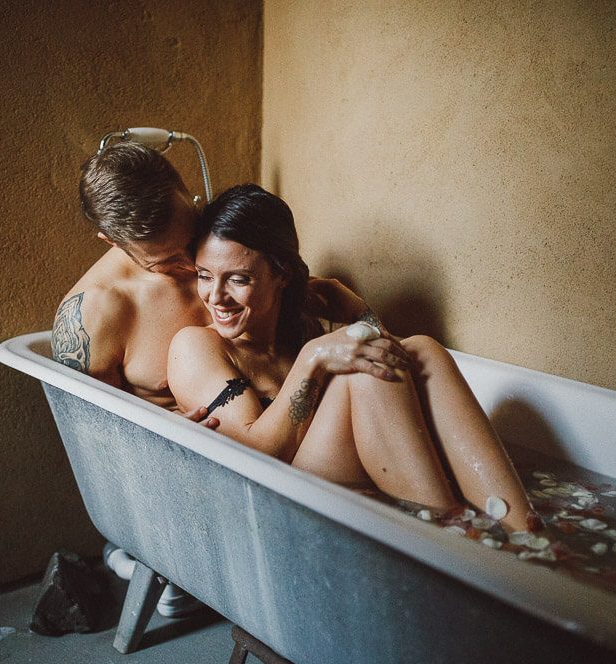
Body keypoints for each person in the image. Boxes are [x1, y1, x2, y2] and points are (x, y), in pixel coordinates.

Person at [168, 184, 538, 532]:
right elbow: (263, 456)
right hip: (276, 501)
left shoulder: (304, 328)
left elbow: (400, 387)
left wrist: (360, 313)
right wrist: (314, 357)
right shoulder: (196, 347)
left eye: (237, 279)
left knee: (424, 349)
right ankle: (452, 541)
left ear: (281, 274)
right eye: (204, 275)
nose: (215, 296)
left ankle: (528, 532)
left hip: (344, 478)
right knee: (362, 370)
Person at [52, 141, 380, 421]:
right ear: (111, 241)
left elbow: (291, 296)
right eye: (166, 263)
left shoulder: (219, 250)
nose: (192, 264)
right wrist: (172, 433)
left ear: (187, 195)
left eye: (192, 239)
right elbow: (95, 435)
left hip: (291, 430)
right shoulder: (93, 315)